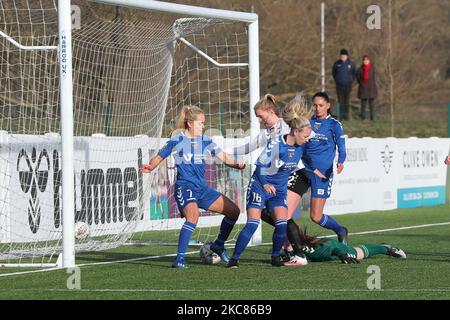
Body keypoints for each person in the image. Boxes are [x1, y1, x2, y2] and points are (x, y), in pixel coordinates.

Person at [141, 105, 245, 269]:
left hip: (202, 189)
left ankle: (218, 245)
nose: (203, 126)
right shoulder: (177, 140)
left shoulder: (205, 140)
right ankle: (179, 258)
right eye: (200, 123)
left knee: (234, 211)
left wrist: (236, 164)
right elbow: (160, 156)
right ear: (190, 123)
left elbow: (223, 156)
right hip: (185, 187)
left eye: (203, 123)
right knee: (193, 217)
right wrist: (150, 166)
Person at [227, 95, 313, 269]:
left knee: (282, 221)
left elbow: (309, 132)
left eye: (261, 116)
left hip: (283, 183)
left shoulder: (290, 127)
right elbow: (256, 160)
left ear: (270, 111)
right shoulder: (272, 139)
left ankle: (280, 255)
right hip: (262, 183)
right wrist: (223, 151)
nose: (259, 120)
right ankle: (234, 259)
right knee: (254, 223)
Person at [302, 91, 349, 243]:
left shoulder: (334, 124)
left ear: (328, 106)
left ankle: (340, 230)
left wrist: (340, 161)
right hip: (303, 169)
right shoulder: (307, 123)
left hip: (321, 174)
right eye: (315, 105)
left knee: (315, 216)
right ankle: (286, 245)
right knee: (285, 211)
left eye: (321, 105)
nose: (317, 108)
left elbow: (341, 146)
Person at [295, 226, 406, 263]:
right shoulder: (288, 246)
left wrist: (342, 255)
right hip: (328, 249)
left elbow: (331, 249)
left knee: (355, 254)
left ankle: (385, 249)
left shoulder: (309, 249)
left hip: (332, 247)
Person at [332, 48, 356, 120]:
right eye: (342, 55)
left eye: (344, 55)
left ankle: (346, 116)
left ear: (347, 56)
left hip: (348, 85)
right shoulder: (337, 64)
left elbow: (354, 73)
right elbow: (334, 73)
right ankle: (341, 116)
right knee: (340, 100)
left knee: (347, 100)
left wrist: (351, 80)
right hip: (339, 85)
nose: (343, 57)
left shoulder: (351, 64)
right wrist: (337, 80)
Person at [356, 54, 378, 121]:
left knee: (372, 105)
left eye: (367, 60)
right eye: (364, 60)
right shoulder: (360, 69)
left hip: (371, 88)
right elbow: (358, 78)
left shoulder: (373, 68)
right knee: (363, 105)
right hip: (363, 88)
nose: (365, 61)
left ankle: (372, 118)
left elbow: (374, 78)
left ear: (369, 61)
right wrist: (362, 83)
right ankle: (363, 118)